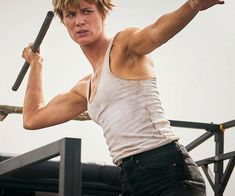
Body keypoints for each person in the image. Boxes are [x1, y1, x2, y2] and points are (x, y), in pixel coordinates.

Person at [22, 0, 224, 195]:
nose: (79, 21)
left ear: (102, 13)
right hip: (131, 178)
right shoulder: (85, 87)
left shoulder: (123, 46)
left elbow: (156, 31)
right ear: (64, 21)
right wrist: (36, 64)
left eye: (86, 11)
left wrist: (193, 5)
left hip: (168, 171)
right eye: (71, 15)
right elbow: (32, 118)